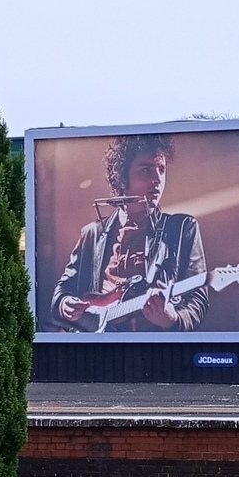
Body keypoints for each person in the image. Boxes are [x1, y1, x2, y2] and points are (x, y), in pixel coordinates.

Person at [51, 134, 208, 331]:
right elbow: (63, 289)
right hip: (97, 348)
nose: (157, 179)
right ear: (122, 177)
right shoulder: (92, 234)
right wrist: (64, 303)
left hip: (152, 350)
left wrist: (172, 318)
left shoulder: (182, 228)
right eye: (146, 170)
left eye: (161, 170)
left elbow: (198, 300)